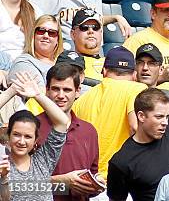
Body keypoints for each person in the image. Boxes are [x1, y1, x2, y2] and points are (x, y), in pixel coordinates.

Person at [72, 46, 148, 179]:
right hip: (117, 179)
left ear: (104, 71)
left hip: (85, 178)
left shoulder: (82, 99)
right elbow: (136, 126)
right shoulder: (137, 89)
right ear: (135, 74)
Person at [0, 71, 70, 201]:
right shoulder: (2, 163)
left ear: (35, 140)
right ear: (8, 136)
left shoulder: (43, 159)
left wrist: (38, 95)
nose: (21, 141)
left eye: (28, 136)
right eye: (16, 135)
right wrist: (12, 91)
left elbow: (62, 122)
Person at [36, 64, 101, 201]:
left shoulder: (88, 131)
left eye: (67, 90)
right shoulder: (31, 127)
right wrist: (64, 183)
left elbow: (92, 179)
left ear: (77, 91)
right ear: (47, 90)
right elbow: (18, 186)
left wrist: (96, 184)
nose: (61, 95)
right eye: (55, 89)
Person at [107, 88, 169, 201]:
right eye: (159, 117)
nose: (165, 122)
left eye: (167, 117)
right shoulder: (122, 161)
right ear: (141, 116)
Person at [8, 14, 64, 90]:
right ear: (33, 35)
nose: (46, 36)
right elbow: (38, 93)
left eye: (52, 33)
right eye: (41, 31)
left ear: (58, 39)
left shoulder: (65, 62)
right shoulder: (23, 63)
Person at [69, 8, 105, 84]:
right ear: (73, 34)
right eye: (84, 27)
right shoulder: (66, 62)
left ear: (101, 33)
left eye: (95, 28)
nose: (91, 31)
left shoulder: (112, 63)